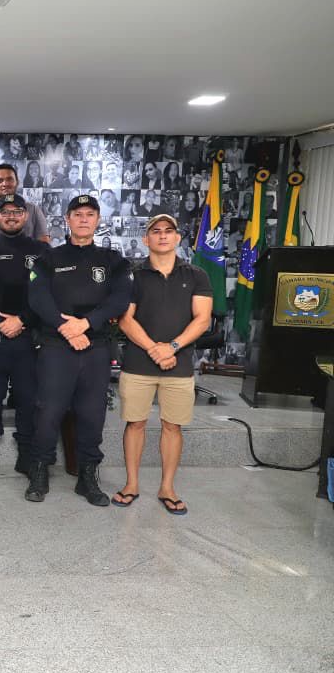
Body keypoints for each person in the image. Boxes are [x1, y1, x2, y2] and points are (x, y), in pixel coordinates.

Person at [24, 195, 132, 506]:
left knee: (92, 414)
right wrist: (65, 327)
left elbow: (120, 298)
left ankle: (87, 477)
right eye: (78, 214)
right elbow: (38, 298)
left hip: (95, 348)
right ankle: (39, 470)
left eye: (90, 214)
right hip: (56, 347)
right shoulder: (48, 258)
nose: (84, 219)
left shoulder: (114, 261)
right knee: (48, 412)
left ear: (98, 220)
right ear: (67, 220)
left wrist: (85, 324)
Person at [114, 214, 212, 515]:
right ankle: (131, 484)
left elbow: (202, 319)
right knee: (135, 423)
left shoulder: (196, 275)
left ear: (178, 237)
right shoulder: (132, 275)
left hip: (178, 364)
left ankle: (167, 488)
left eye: (169, 231)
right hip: (138, 363)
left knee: (172, 426)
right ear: (146, 239)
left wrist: (171, 348)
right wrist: (153, 349)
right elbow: (125, 319)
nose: (162, 236)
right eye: (155, 231)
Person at [0, 194, 50, 479]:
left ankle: (26, 457)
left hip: (30, 340)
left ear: (26, 216)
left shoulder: (42, 251)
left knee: (28, 402)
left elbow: (48, 294)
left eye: (17, 211)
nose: (12, 216)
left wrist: (22, 320)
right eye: (6, 212)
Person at [0, 164, 50, 249]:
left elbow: (45, 250)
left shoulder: (34, 210)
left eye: (9, 179)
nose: (5, 184)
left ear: (17, 182)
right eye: (0, 181)